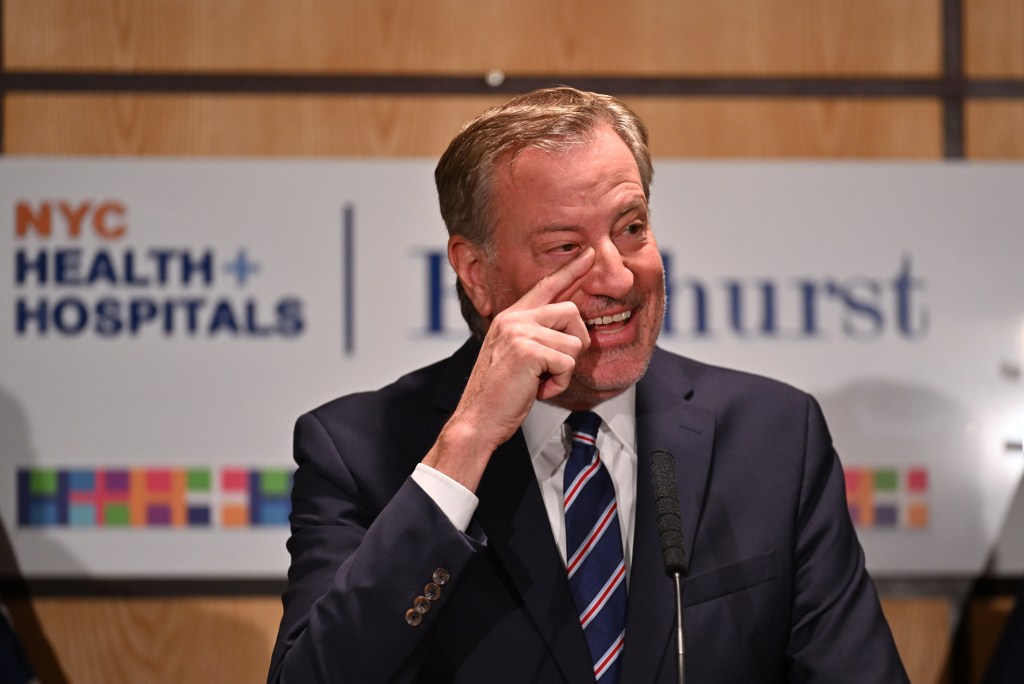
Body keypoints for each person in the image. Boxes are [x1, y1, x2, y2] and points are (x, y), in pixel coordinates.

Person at [267, 86, 908, 683]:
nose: (619, 277)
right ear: (476, 272)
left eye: (631, 228)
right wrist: (464, 446)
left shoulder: (774, 436)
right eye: (566, 246)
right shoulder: (357, 450)